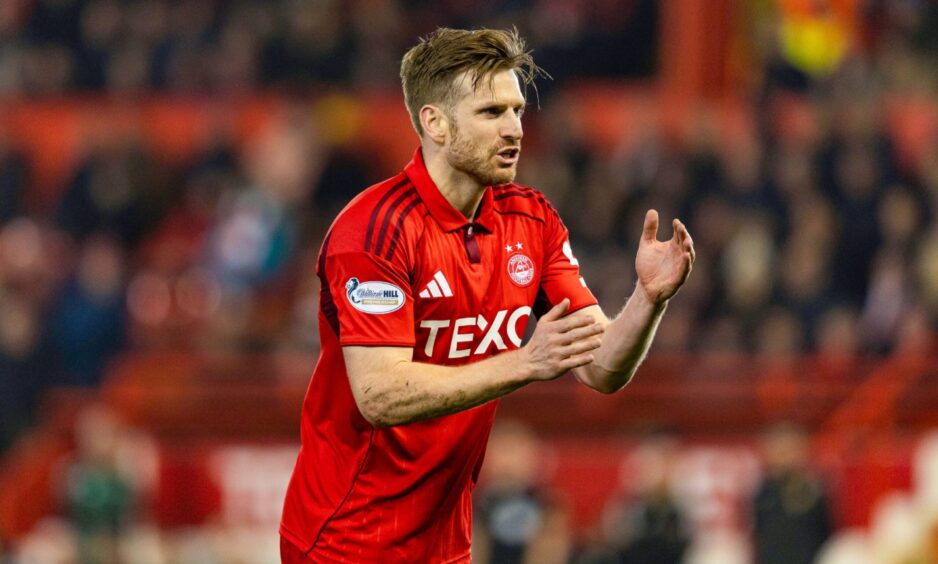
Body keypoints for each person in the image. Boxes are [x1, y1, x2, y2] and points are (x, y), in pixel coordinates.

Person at [280, 27, 695, 563]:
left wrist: (648, 299)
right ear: (435, 123)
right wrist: (524, 362)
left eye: (517, 110)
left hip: (445, 542)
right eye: (492, 112)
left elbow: (601, 369)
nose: (515, 128)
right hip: (345, 540)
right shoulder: (375, 230)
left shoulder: (531, 219)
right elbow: (380, 395)